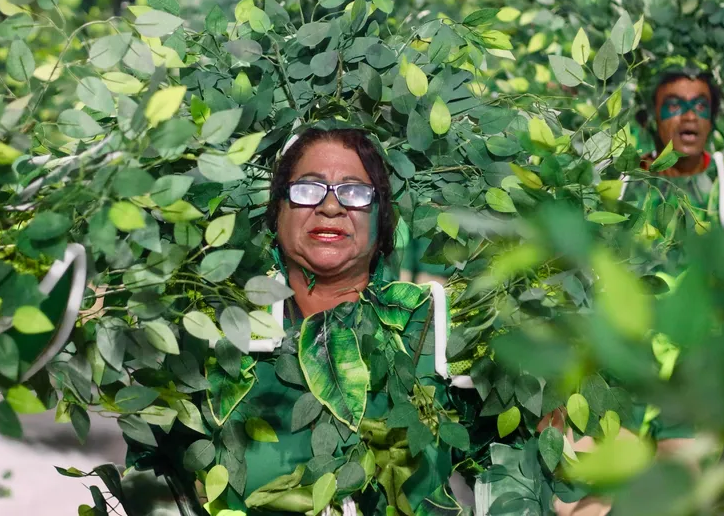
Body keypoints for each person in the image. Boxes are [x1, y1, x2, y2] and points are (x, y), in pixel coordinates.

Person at [124, 127, 469, 515]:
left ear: (381, 216)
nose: (331, 208)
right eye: (308, 189)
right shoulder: (216, 326)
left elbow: (520, 467)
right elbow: (155, 473)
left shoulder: (436, 325)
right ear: (277, 210)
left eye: (354, 192)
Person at [623, 57, 724, 230]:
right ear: (652, 117)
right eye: (674, 105)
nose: (690, 116)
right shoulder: (625, 180)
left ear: (711, 119)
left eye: (701, 106)